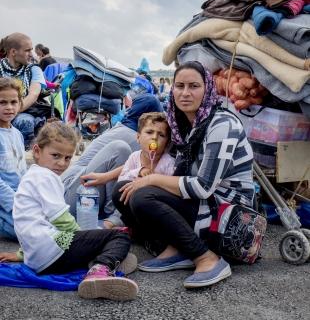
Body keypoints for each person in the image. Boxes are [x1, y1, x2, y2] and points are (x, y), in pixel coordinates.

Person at [112, 61, 256, 289]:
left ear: (207, 89)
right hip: (200, 204)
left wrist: (150, 179)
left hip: (228, 212)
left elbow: (203, 187)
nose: (185, 93)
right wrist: (137, 176)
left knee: (142, 195)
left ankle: (206, 258)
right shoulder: (183, 126)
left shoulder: (222, 125)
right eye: (179, 86)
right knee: (122, 191)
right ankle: (178, 248)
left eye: (194, 86)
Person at [0, 122, 138, 301]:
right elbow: (61, 219)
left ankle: (99, 258)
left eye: (67, 158)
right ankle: (99, 270)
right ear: (36, 151)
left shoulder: (32, 176)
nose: (61, 163)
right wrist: (85, 235)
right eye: (55, 155)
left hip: (39, 259)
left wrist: (21, 255)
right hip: (53, 252)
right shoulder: (45, 177)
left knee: (96, 239)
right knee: (119, 236)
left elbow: (29, 223)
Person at [61, 93, 163, 227]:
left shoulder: (122, 127)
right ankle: (112, 217)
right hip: (74, 196)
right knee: (119, 149)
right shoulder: (135, 136)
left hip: (77, 193)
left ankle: (110, 217)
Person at [0, 33, 47, 149]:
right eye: (27, 50)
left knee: (24, 122)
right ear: (13, 52)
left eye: (31, 50)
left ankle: (22, 154)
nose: (31, 54)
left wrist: (12, 111)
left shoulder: (34, 70)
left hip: (24, 111)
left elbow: (33, 94)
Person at [0, 78, 27, 240]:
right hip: (6, 202)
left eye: (13, 102)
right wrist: (16, 205)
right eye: (2, 102)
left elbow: (21, 171)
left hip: (21, 197)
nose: (9, 107)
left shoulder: (17, 134)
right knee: (28, 233)